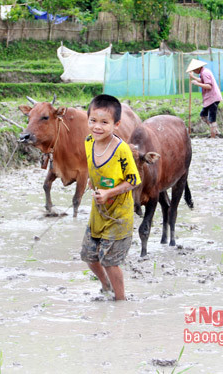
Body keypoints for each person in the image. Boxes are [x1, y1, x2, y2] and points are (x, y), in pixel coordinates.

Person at [81, 94, 141, 301]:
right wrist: (92, 180)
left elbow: (134, 181)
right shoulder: (89, 142)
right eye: (93, 121)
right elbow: (93, 166)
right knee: (89, 256)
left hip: (119, 214)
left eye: (104, 122)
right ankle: (106, 285)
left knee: (109, 261)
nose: (97, 127)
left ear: (116, 125)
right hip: (98, 212)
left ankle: (121, 300)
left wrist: (109, 193)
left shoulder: (121, 149)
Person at [187, 59, 223, 138]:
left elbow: (209, 86)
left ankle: (213, 136)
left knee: (212, 118)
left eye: (194, 70)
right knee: (203, 115)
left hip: (213, 98)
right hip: (209, 98)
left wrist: (197, 84)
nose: (194, 71)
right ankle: (215, 130)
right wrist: (193, 77)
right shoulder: (203, 72)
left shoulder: (205, 73)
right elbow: (202, 80)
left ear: (197, 68)